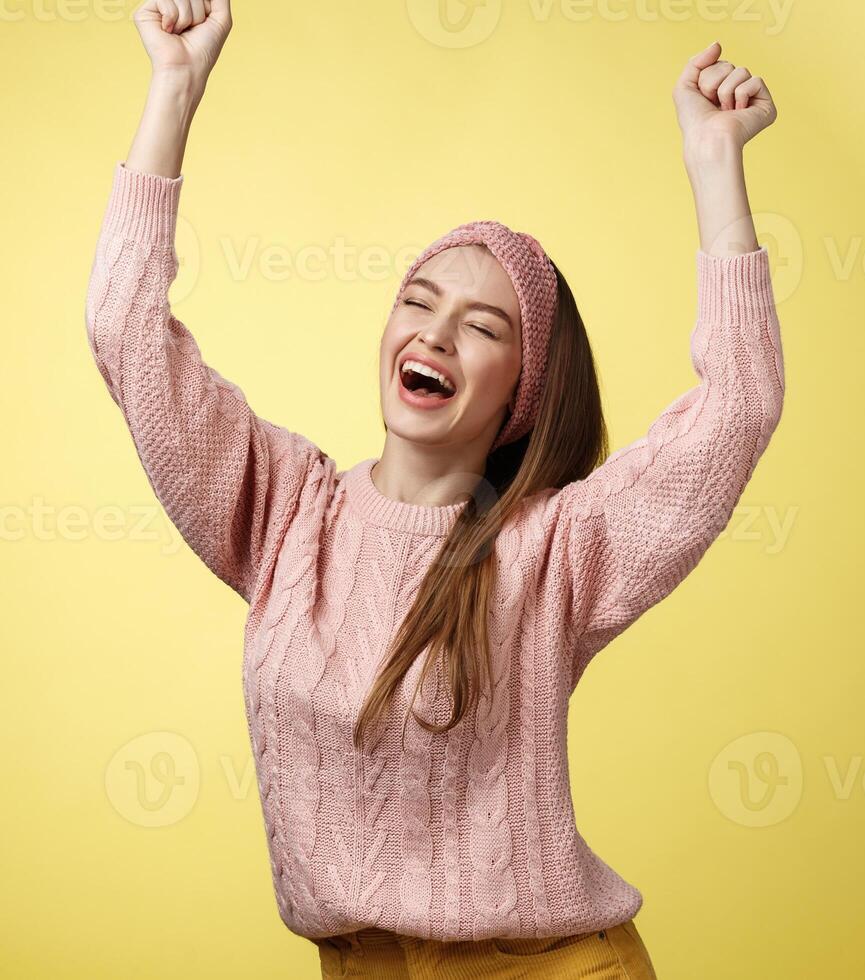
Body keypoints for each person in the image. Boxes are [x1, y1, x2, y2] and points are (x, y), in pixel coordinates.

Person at [86, 1, 786, 974]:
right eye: (418, 302)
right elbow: (126, 330)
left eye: (483, 326)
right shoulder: (284, 510)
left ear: (524, 389)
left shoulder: (553, 548)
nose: (435, 334)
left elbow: (739, 406)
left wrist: (717, 165)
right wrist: (174, 87)